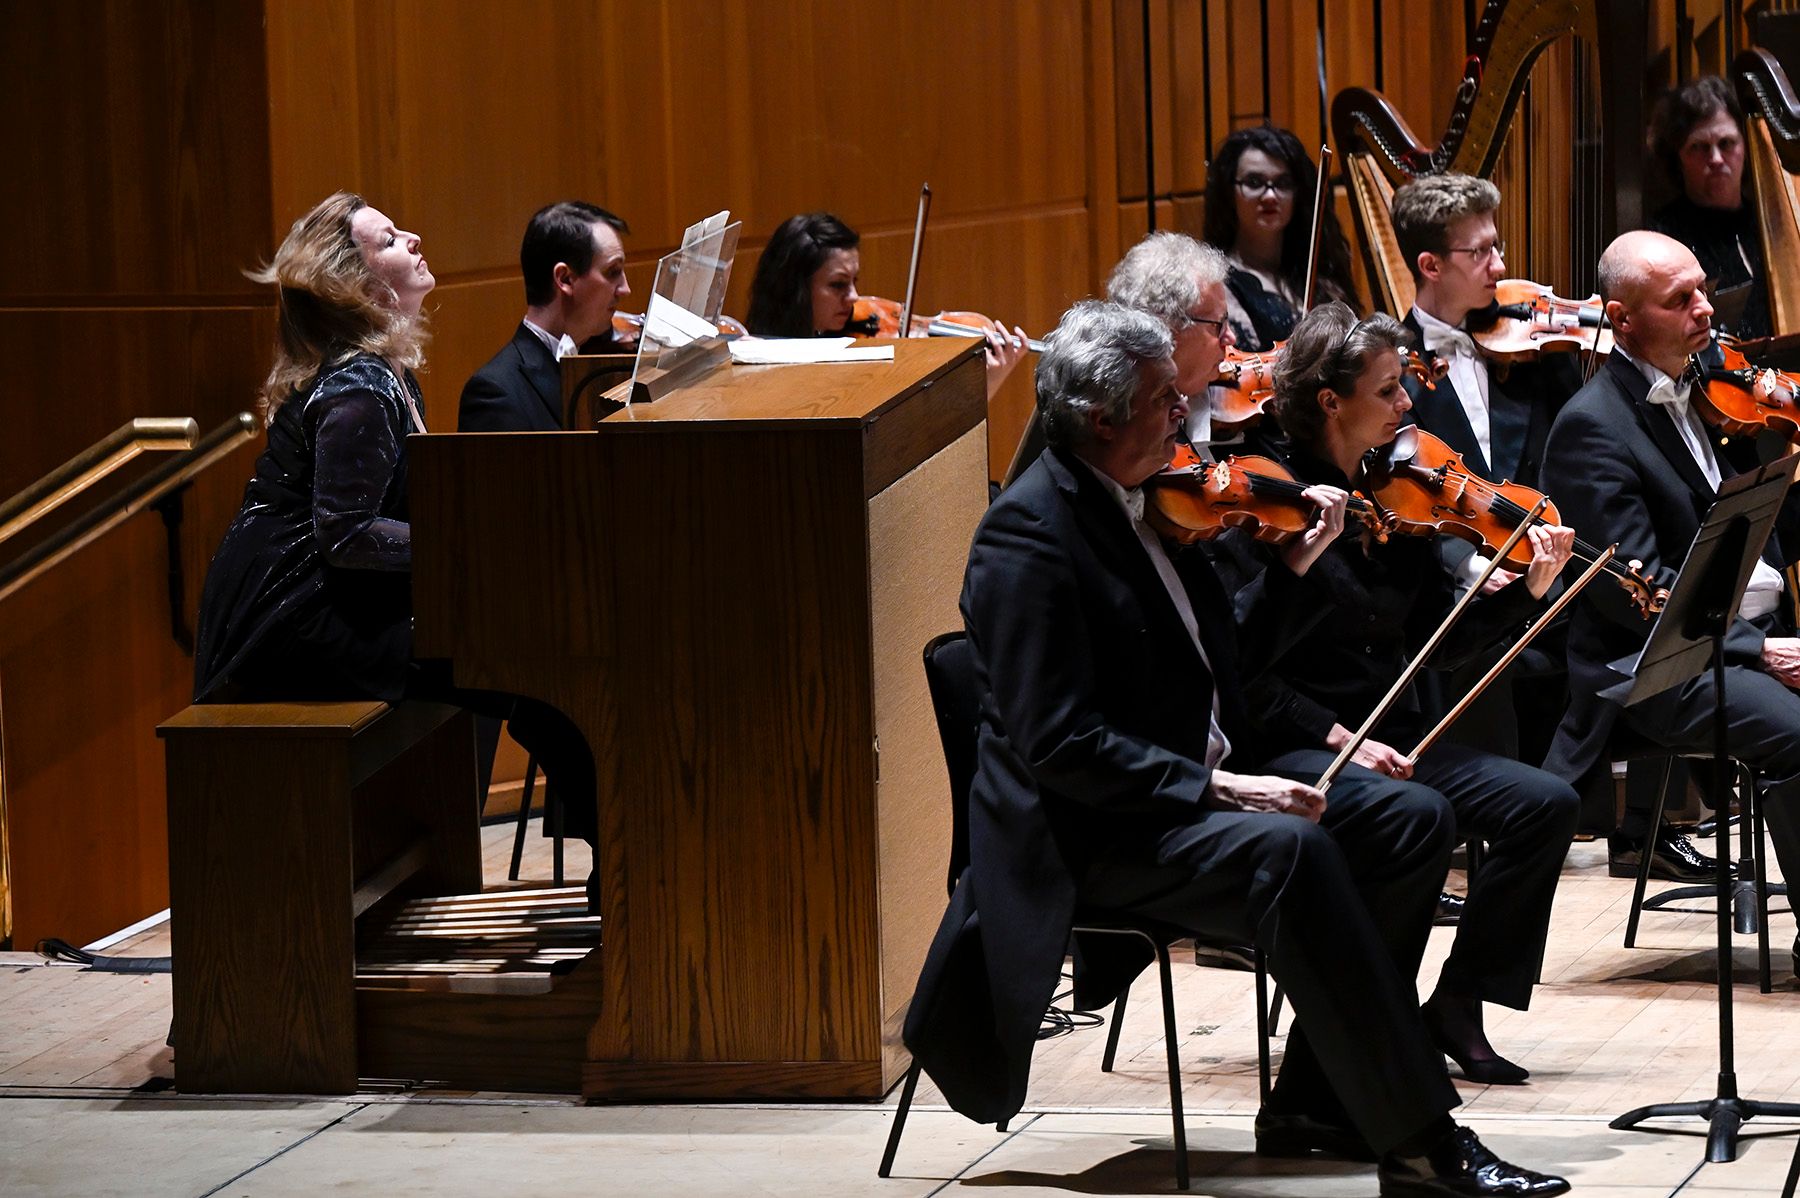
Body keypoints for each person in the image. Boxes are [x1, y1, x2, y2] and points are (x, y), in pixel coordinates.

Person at [902, 298, 1569, 1196]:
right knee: (1288, 850)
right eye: (1161, 403)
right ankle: (1421, 1143)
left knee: (1410, 820)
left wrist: (1294, 576)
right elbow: (1062, 745)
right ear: (1100, 420)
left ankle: (1317, 1100)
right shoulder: (1029, 537)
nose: (1186, 416)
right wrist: (1229, 791)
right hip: (1095, 829)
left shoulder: (1152, 500)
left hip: (1192, 776)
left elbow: (1233, 666)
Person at [1217, 302, 1580, 1087]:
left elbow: (1433, 658)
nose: (1408, 407)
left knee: (1543, 804)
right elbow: (1242, 672)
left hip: (1390, 739)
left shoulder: (1395, 497)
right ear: (1330, 402)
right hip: (1297, 745)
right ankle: (1374, 1031)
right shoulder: (1272, 507)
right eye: (1389, 391)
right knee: (1423, 816)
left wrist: (1523, 596)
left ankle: (1457, 1003)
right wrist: (1338, 735)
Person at [193, 192, 598, 874]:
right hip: (284, 628)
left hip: (319, 612)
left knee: (523, 658)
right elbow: (346, 537)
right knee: (516, 659)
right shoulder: (360, 386)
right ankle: (619, 859)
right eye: (387, 239)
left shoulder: (384, 376)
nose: (411, 238)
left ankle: (607, 850)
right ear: (351, 281)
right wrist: (473, 554)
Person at [1543, 229, 1800, 973]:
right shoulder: (1591, 428)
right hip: (1655, 670)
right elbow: (1640, 598)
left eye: (1702, 291)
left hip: (1740, 639)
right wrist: (1763, 650)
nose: (1703, 311)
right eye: (1678, 300)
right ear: (1621, 319)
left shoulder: (1703, 388)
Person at [1387, 173, 1585, 778]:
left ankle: (1631, 824)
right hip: (1461, 589)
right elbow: (1399, 496)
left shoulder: (1534, 347)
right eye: (1481, 252)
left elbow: (1569, 464)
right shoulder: (1387, 367)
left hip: (1554, 565)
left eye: (1496, 246)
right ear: (1431, 265)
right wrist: (1471, 563)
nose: (1500, 265)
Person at [743, 211, 1029, 397]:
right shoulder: (758, 369)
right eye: (838, 285)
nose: (855, 297)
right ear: (796, 288)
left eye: (855, 281)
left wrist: (990, 381)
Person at [460, 201, 631, 432]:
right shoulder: (495, 394)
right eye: (613, 272)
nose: (625, 289)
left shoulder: (600, 359)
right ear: (565, 279)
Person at [1201, 124, 1360, 352]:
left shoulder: (1319, 278)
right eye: (1254, 183)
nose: (1270, 196)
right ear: (1229, 192)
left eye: (1283, 184)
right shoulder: (1218, 282)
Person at [1647, 76, 1769, 341]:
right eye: (1699, 147)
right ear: (1677, 159)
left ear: (1746, 148)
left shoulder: (1770, 226)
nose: (1715, 159)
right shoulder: (1661, 237)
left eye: (1726, 143)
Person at [1105, 231, 1245, 453]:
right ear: (1167, 329)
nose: (1231, 338)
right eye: (1217, 325)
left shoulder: (1204, 400)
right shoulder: (1123, 438)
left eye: (1228, 321)